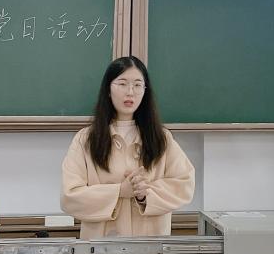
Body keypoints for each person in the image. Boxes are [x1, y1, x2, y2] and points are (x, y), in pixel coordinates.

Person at [61, 56, 195, 239]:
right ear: (108, 89)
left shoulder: (161, 138)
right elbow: (70, 196)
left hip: (149, 246)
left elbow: (184, 184)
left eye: (138, 85)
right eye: (122, 84)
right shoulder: (85, 139)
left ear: (145, 91)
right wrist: (119, 192)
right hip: (101, 247)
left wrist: (145, 195)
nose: (130, 92)